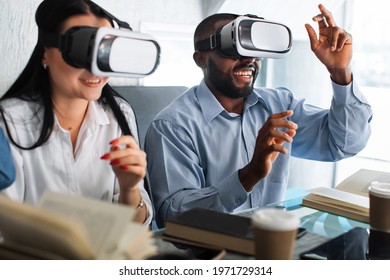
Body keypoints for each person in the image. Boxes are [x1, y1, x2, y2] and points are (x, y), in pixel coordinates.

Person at [144, 4, 372, 228]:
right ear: (201, 59)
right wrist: (249, 175)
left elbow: (343, 144)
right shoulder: (172, 126)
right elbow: (173, 218)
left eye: (254, 50)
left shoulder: (280, 105)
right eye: (232, 49)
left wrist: (340, 72)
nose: (248, 60)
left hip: (272, 244)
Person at [0, 0, 152, 224]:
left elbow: (138, 227)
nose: (95, 68)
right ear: (45, 53)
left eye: (104, 52)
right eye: (81, 50)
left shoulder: (119, 115)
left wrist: (129, 188)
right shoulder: (9, 122)